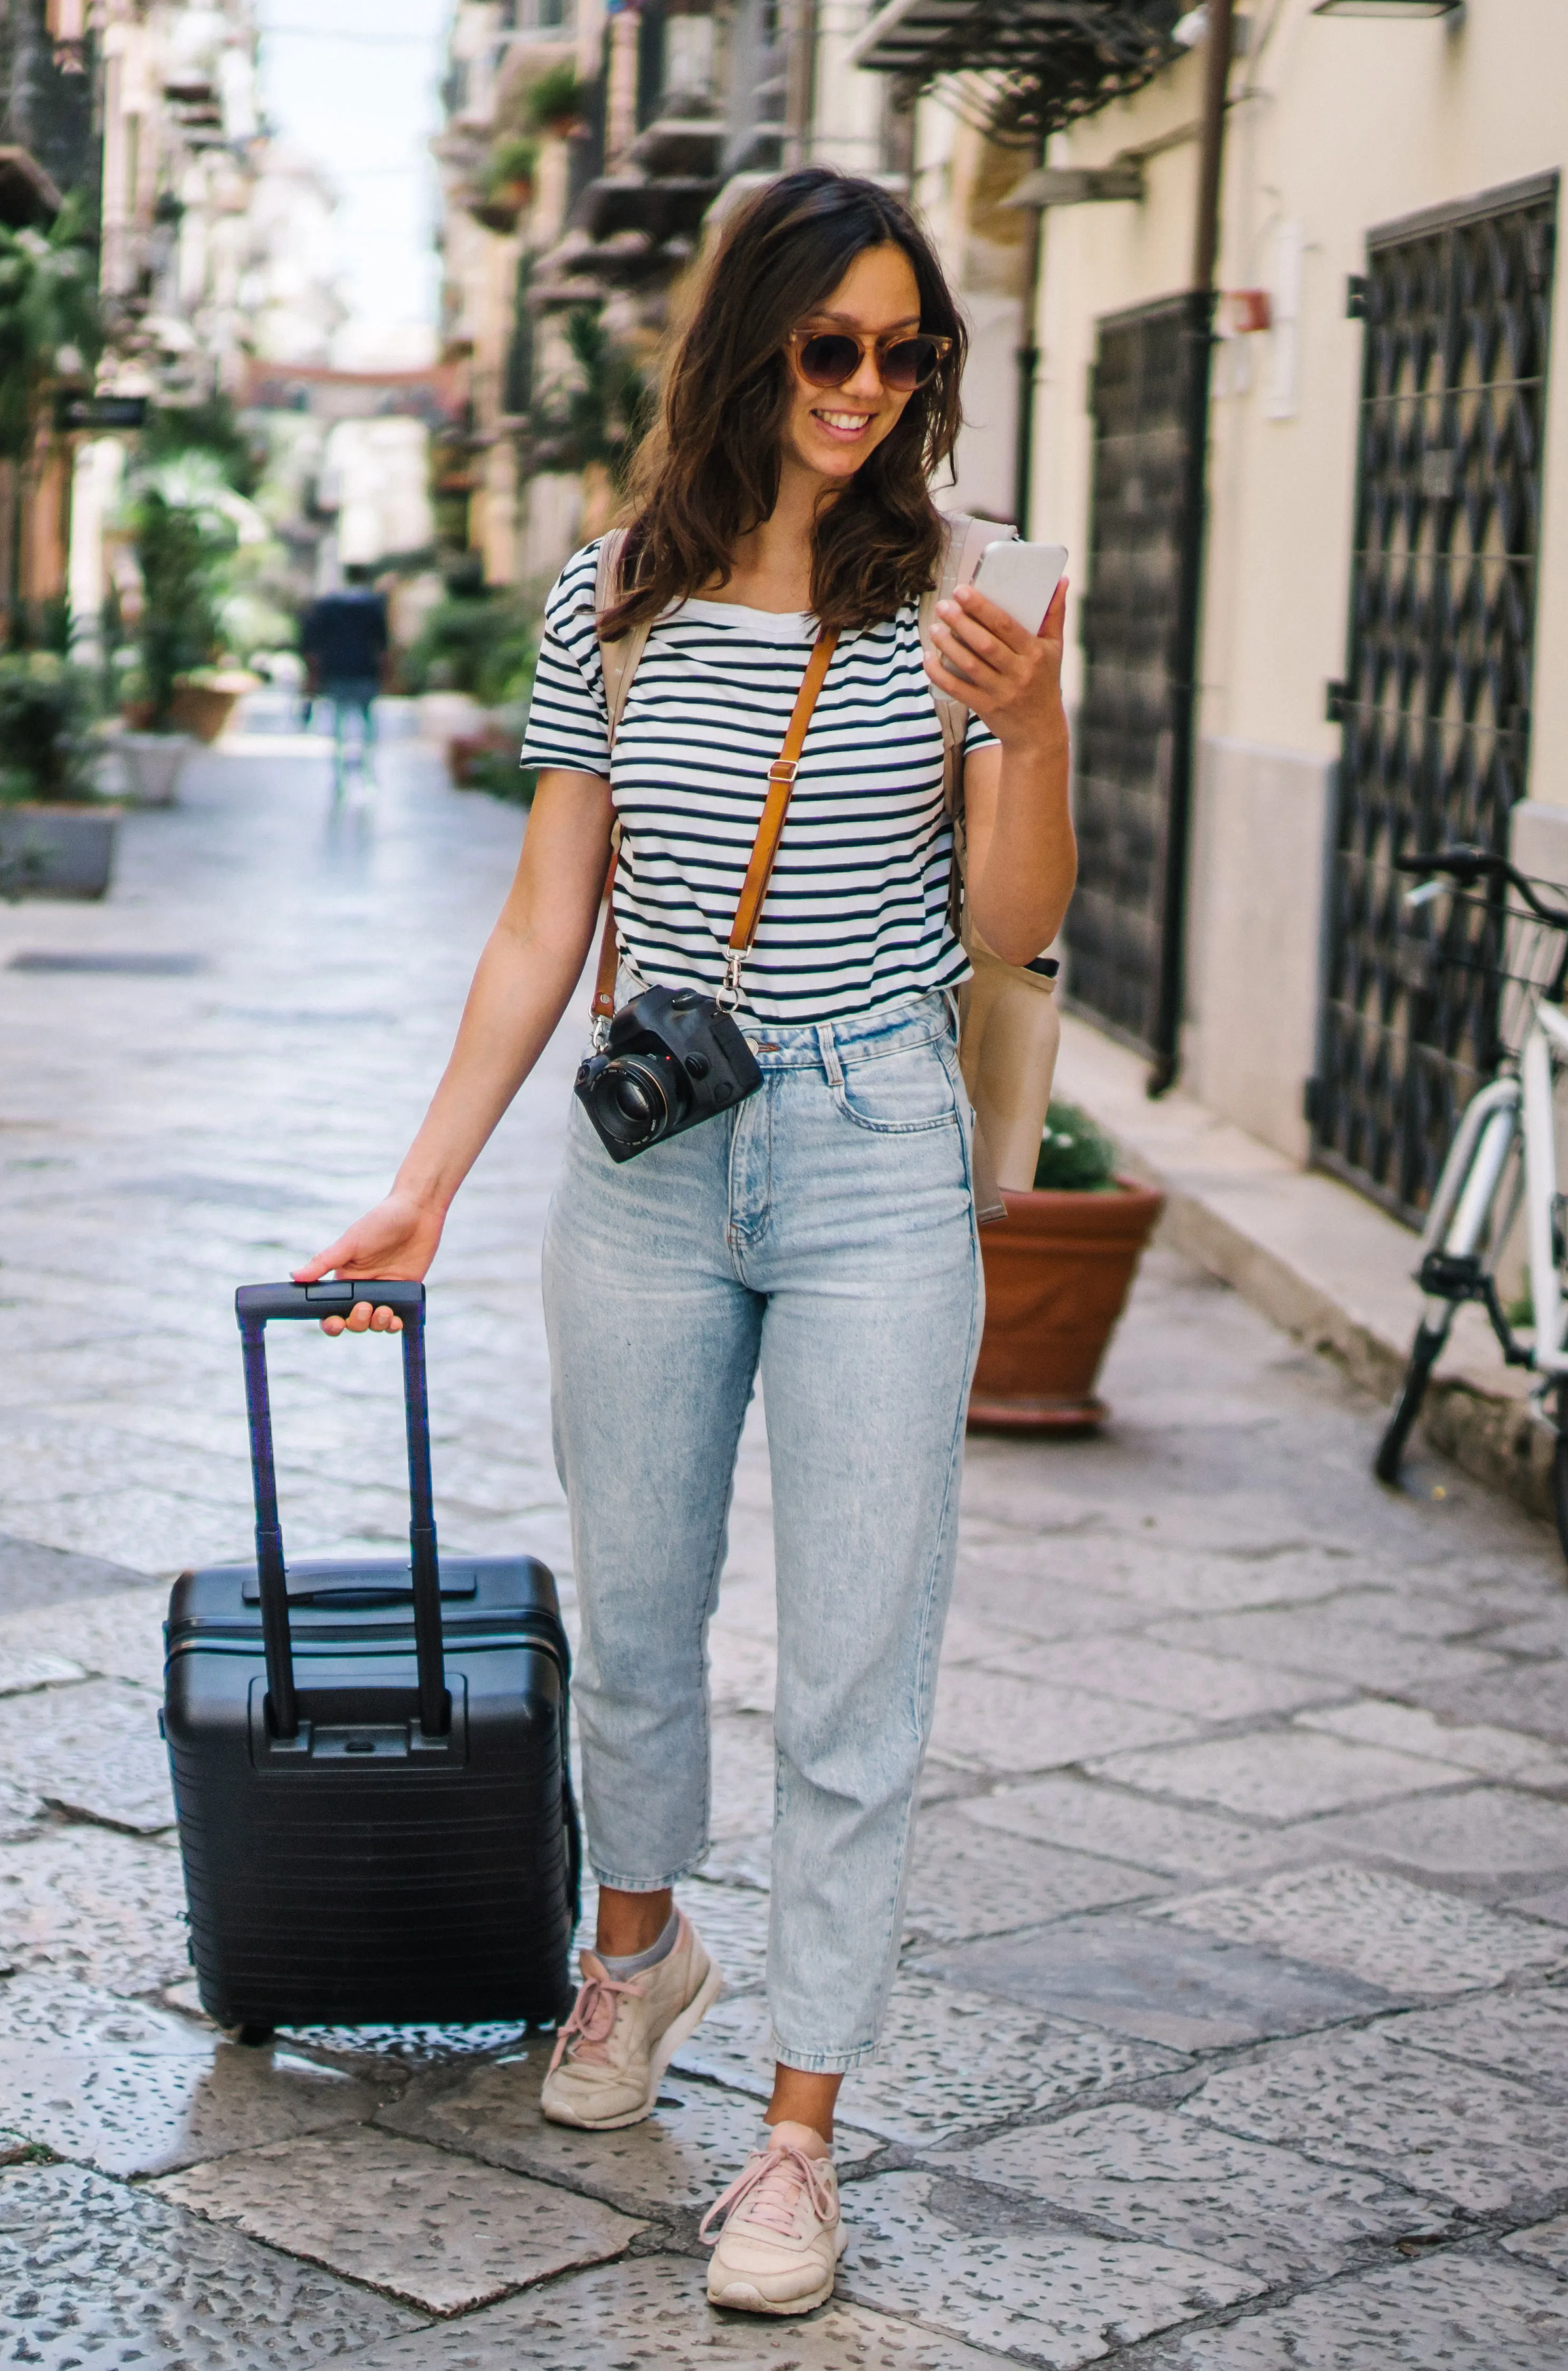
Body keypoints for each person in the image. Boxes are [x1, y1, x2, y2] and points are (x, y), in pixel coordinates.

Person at [291, 169, 1073, 2315]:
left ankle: (797, 2137)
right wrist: (425, 1177)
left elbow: (1011, 928)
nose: (868, 390)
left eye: (907, 353)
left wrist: (1033, 723)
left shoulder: (972, 588)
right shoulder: (611, 593)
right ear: (746, 346)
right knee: (632, 1608)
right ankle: (630, 1957)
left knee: (850, 1662)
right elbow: (551, 913)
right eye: (830, 347)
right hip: (649, 1155)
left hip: (869, 1146)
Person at [298, 562, 391, 789]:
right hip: (365, 670)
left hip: (336, 670)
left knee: (339, 722)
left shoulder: (329, 606)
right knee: (366, 720)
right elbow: (383, 645)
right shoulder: (374, 606)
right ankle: (366, 766)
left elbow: (312, 642)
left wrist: (312, 677)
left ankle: (340, 770)